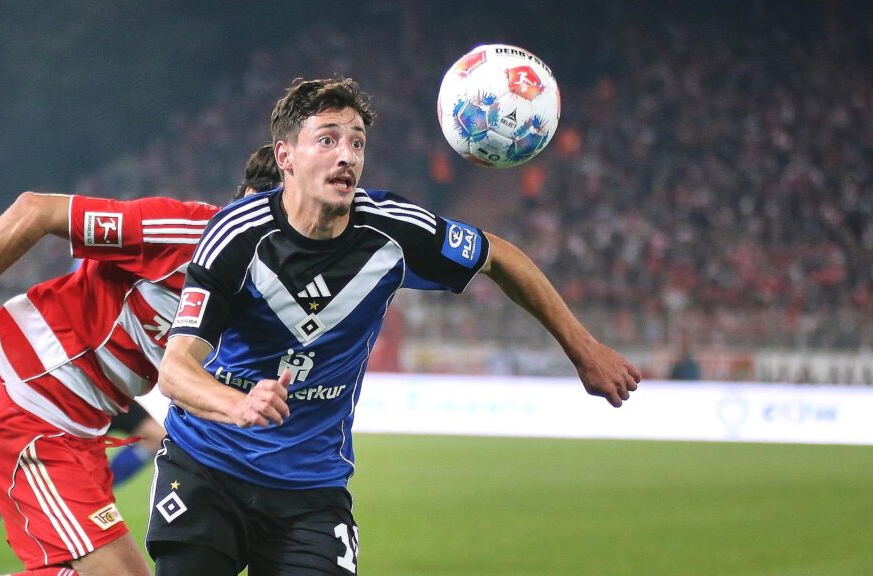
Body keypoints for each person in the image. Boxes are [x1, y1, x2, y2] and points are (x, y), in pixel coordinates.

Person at [148, 77, 642, 575]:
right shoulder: (237, 233)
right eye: (328, 139)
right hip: (207, 469)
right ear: (285, 157)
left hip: (311, 491)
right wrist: (238, 403)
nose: (347, 155)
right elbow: (176, 369)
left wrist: (584, 349)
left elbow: (500, 256)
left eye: (357, 141)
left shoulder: (393, 229)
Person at [0, 145, 279, 576]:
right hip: (32, 416)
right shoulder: (185, 231)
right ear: (252, 201)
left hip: (84, 431)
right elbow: (35, 210)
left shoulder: (255, 283)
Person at [0, 401, 165, 570]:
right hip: (69, 392)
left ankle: (84, 493)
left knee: (155, 437)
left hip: (106, 390)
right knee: (28, 476)